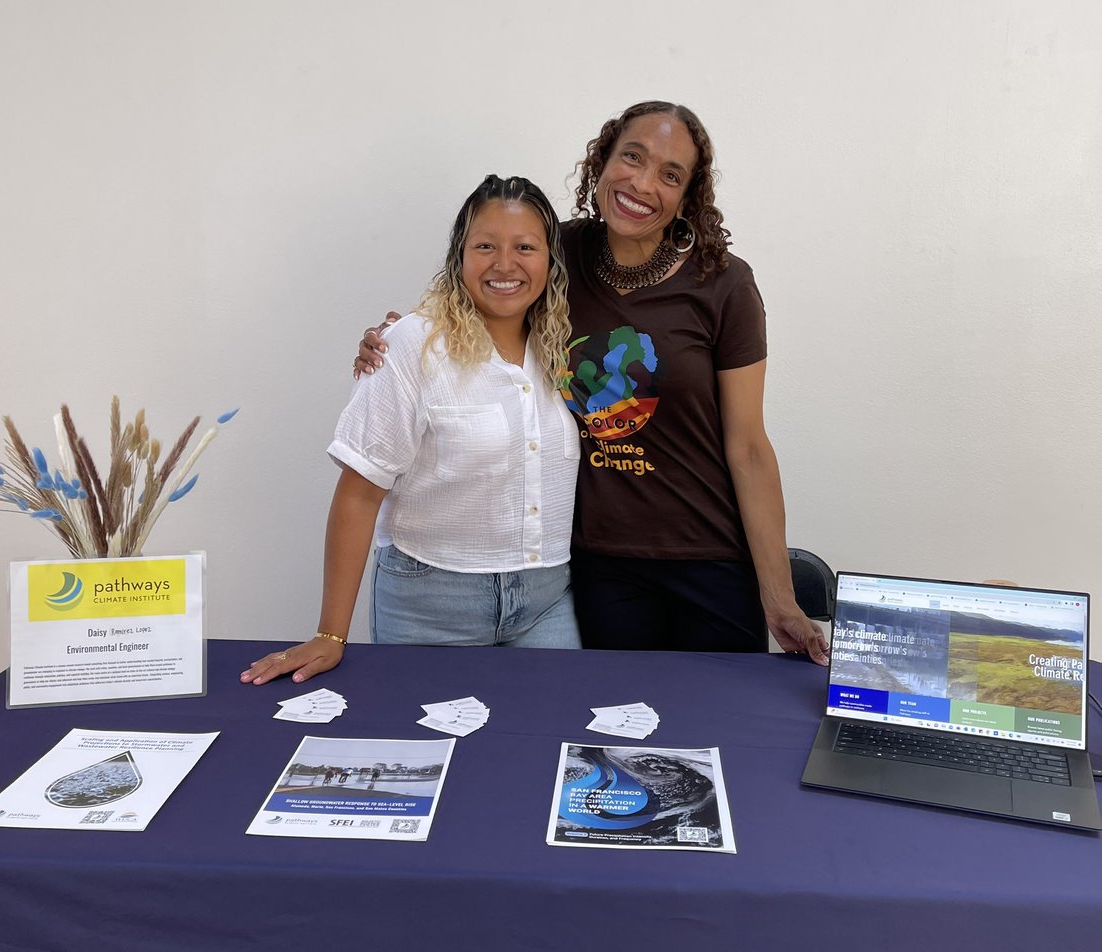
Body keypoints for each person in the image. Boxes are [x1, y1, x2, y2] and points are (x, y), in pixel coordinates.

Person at [355, 101, 829, 665]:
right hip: (599, 563)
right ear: (601, 161)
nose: (643, 183)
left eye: (670, 175)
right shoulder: (558, 255)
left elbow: (749, 448)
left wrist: (779, 598)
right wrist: (403, 333)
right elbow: (480, 294)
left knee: (719, 730)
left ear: (688, 197)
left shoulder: (723, 284)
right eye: (633, 157)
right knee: (611, 739)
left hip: (710, 557)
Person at [241, 175, 580, 687]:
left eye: (525, 247)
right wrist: (330, 635)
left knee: (552, 742)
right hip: (432, 603)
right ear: (458, 257)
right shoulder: (413, 346)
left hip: (548, 602)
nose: (505, 265)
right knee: (437, 757)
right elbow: (359, 495)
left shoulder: (566, 347)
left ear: (550, 260)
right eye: (485, 246)